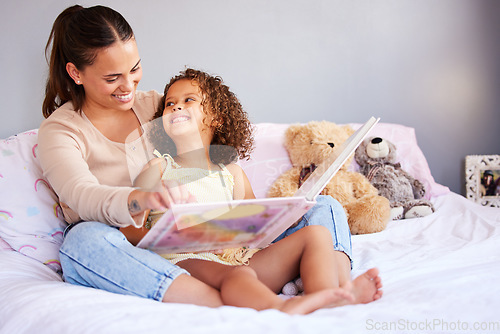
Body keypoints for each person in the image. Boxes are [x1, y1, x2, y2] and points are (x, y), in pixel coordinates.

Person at [37, 4, 381, 313]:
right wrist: (139, 198)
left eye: (135, 69)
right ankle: (227, 298)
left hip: (224, 242)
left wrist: (267, 214)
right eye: (113, 78)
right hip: (143, 248)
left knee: (323, 207)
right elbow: (80, 194)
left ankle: (334, 290)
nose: (129, 86)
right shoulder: (61, 131)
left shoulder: (158, 105)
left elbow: (205, 126)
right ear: (76, 73)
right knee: (82, 243)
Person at [133, 68, 382, 312]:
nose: (176, 106)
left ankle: (327, 297)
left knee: (316, 234)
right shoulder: (158, 168)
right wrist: (171, 234)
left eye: (189, 100)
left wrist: (285, 216)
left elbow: (255, 227)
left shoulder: (231, 173)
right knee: (238, 275)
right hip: (187, 259)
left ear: (217, 118)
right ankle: (281, 308)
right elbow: (129, 231)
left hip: (241, 258)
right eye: (169, 103)